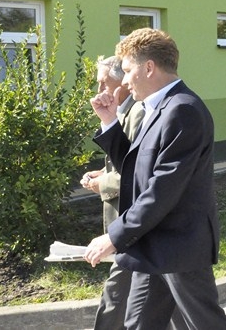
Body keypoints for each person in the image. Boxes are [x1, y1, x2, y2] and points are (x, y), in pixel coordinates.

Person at [85, 28, 226, 330]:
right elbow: (137, 168)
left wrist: (114, 237)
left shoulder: (183, 110)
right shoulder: (158, 108)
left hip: (179, 245)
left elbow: (163, 188)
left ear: (149, 67)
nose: (124, 81)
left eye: (128, 70)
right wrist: (110, 122)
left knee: (206, 323)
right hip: (153, 244)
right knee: (139, 324)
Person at [80, 56, 145, 330]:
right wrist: (102, 172)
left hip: (136, 226)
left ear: (123, 82)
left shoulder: (138, 112)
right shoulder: (122, 111)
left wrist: (102, 183)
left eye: (103, 83)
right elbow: (126, 160)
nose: (99, 91)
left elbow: (139, 173)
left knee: (115, 298)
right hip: (133, 228)